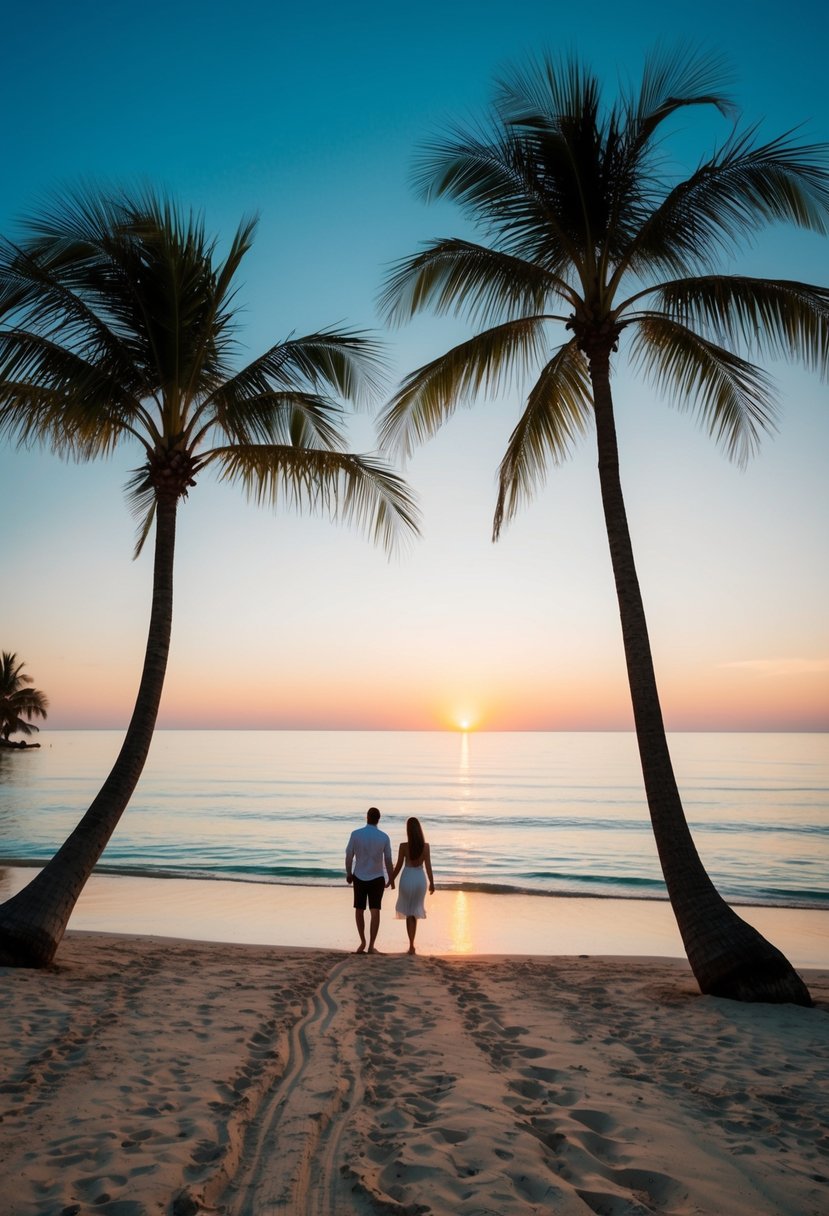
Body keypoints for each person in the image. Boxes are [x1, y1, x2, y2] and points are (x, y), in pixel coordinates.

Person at [345, 806, 394, 954]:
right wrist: (391, 879)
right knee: (375, 910)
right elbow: (388, 860)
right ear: (378, 819)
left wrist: (348, 873)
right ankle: (371, 946)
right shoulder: (384, 837)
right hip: (377, 877)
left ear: (367, 817)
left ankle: (362, 942)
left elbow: (349, 856)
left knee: (359, 910)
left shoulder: (356, 834)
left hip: (359, 876)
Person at [391, 816, 434, 954]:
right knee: (415, 911)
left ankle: (411, 944)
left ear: (408, 830)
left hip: (407, 878)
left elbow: (397, 866)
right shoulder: (425, 846)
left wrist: (390, 880)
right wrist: (432, 883)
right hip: (420, 879)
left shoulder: (403, 846)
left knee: (409, 913)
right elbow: (428, 867)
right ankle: (412, 945)